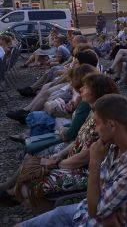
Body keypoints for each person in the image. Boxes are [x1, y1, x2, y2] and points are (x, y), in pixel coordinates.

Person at [16, 94, 127, 226]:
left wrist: (94, 163)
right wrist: (102, 209)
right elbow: (101, 190)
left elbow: (94, 211)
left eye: (96, 123)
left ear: (111, 125)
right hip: (87, 212)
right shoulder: (120, 141)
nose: (95, 130)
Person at [0, 74, 119, 210]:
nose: (81, 89)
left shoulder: (103, 120)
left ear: (97, 92)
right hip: (72, 161)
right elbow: (78, 140)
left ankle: (25, 198)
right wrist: (59, 155)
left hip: (86, 172)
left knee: (29, 186)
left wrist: (58, 164)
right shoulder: (94, 112)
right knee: (31, 164)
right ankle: (13, 192)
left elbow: (86, 157)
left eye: (86, 87)